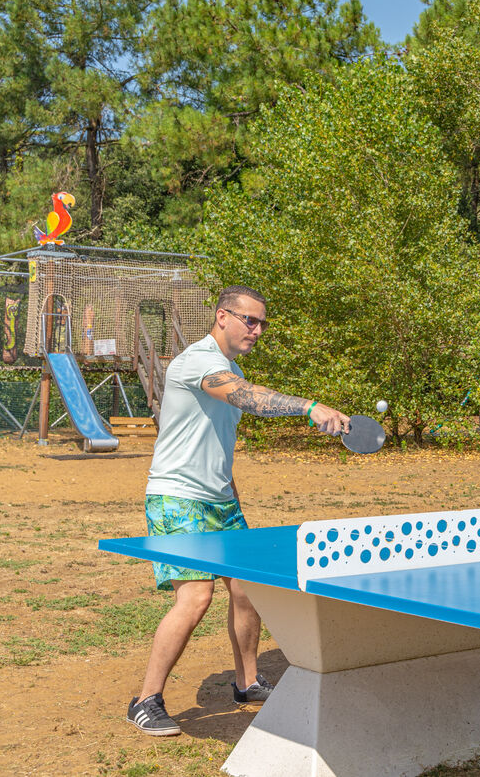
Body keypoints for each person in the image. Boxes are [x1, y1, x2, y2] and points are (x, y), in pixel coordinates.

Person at [126, 285, 351, 737]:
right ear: (223, 316)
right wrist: (309, 407)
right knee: (196, 597)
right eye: (250, 320)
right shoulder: (198, 362)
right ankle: (145, 699)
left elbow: (216, 441)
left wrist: (231, 496)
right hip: (176, 498)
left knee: (248, 588)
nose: (257, 329)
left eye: (262, 322)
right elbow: (248, 398)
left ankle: (246, 683)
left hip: (220, 500)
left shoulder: (231, 366)